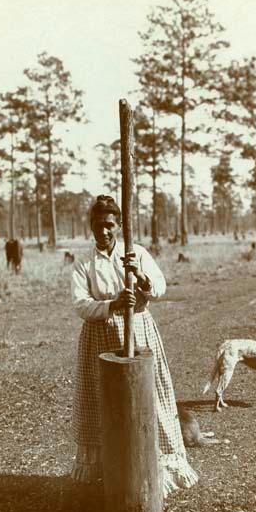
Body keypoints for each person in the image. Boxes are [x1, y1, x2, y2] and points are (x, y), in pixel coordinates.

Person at [70, 194, 198, 496]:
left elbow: (160, 287)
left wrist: (139, 276)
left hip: (138, 331)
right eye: (98, 225)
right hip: (99, 339)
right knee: (103, 403)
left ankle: (154, 470)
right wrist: (112, 304)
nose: (104, 232)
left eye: (110, 225)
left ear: (119, 226)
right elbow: (80, 304)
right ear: (91, 227)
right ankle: (107, 472)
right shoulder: (84, 262)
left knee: (148, 398)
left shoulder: (136, 252)